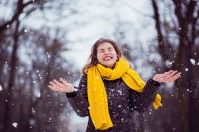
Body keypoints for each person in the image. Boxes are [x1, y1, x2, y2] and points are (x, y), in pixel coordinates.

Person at [48, 38, 181, 132]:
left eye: (109, 49)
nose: (106, 52)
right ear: (96, 56)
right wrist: (72, 93)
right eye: (101, 50)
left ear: (116, 54)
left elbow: (140, 106)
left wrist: (154, 83)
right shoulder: (88, 77)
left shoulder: (129, 75)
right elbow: (83, 111)